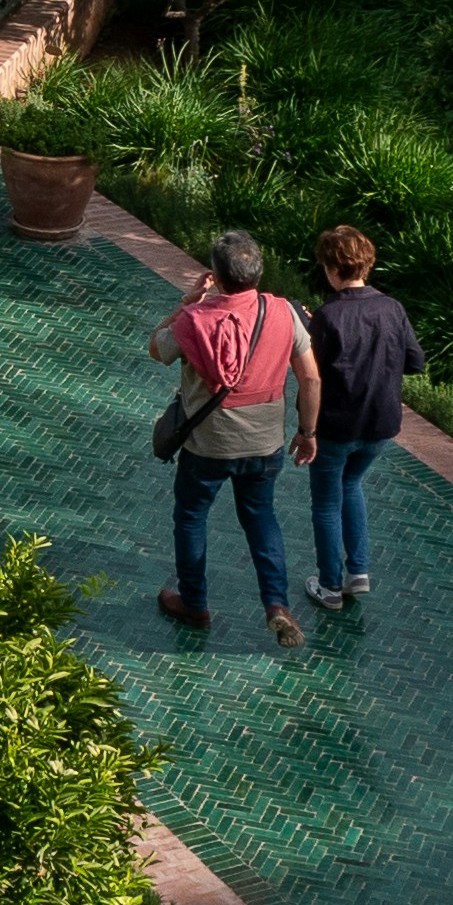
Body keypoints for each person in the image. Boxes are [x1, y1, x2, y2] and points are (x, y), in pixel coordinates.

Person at [148, 230, 318, 647]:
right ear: (256, 273)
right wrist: (307, 432)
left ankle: (194, 604)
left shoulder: (194, 321)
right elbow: (311, 377)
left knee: (191, 517)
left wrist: (189, 301)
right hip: (264, 445)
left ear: (218, 277)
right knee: (261, 518)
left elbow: (157, 349)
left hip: (206, 446)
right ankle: (277, 605)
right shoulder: (282, 313)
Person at [302, 224, 422, 611]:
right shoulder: (392, 308)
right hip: (380, 427)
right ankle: (359, 572)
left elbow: (313, 374)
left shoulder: (327, 315)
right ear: (366, 266)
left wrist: (311, 327)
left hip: (336, 428)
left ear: (333, 269)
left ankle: (329, 585)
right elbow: (415, 362)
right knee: (351, 486)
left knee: (325, 503)